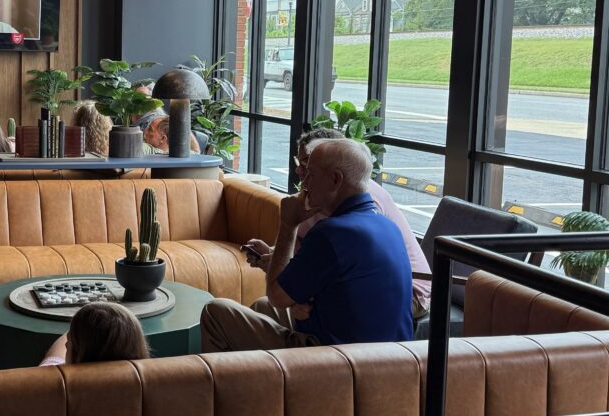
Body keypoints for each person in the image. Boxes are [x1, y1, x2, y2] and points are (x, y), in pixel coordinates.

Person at [201, 137, 413, 351]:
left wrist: (288, 225)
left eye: (311, 174)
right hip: (394, 360)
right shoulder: (388, 226)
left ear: (335, 180)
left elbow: (277, 295)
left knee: (215, 312)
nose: (304, 182)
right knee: (262, 307)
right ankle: (264, 378)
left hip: (340, 362)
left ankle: (231, 382)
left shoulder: (332, 233)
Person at [242, 128, 431, 320]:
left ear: (334, 174)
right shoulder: (320, 201)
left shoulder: (362, 204)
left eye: (308, 165)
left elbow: (353, 267)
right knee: (262, 306)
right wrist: (273, 255)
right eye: (299, 162)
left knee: (233, 311)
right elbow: (309, 253)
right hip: (352, 283)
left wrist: (304, 295)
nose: (299, 171)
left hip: (410, 291)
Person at [39, 301, 151, 366]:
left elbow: (54, 358)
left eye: (69, 342)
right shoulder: (153, 384)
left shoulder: (45, 381)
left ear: (78, 353)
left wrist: (75, 330)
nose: (66, 344)